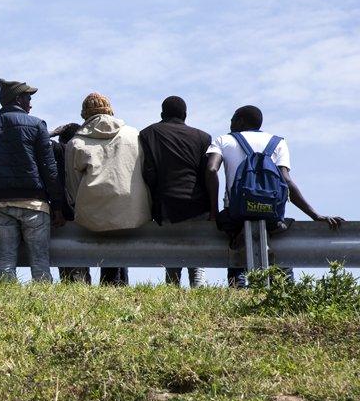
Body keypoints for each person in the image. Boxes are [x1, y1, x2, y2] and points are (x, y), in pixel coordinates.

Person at [205, 105, 344, 287]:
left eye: (232, 120)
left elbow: (211, 169)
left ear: (240, 121)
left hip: (236, 214)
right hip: (271, 215)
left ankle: (238, 292)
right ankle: (283, 292)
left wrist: (214, 212)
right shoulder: (278, 142)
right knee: (280, 256)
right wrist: (315, 215)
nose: (230, 124)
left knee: (236, 254)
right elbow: (286, 181)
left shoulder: (224, 140)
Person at [0, 78, 65, 283]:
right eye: (28, 98)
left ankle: (6, 307)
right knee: (40, 263)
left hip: (1, 205)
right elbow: (50, 170)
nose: (31, 103)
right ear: (18, 99)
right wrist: (57, 206)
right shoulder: (37, 125)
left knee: (5, 263)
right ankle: (43, 308)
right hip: (34, 204)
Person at [66, 93, 150, 286]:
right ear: (110, 110)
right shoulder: (133, 135)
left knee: (101, 227)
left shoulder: (76, 142)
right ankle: (116, 284)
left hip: (93, 212)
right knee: (119, 239)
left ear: (84, 115)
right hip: (131, 208)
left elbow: (72, 186)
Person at [139, 96, 211, 287]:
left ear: (162, 114)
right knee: (197, 264)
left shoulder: (148, 133)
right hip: (197, 205)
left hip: (166, 204)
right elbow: (208, 176)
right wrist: (213, 209)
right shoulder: (203, 137)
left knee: (172, 260)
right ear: (185, 115)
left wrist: (153, 203)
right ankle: (199, 293)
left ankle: (173, 294)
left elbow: (148, 173)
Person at [50, 122, 90, 284]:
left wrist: (52, 132)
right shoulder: (79, 152)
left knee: (66, 267)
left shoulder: (57, 150)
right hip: (80, 210)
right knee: (80, 267)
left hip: (60, 212)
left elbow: (35, 138)